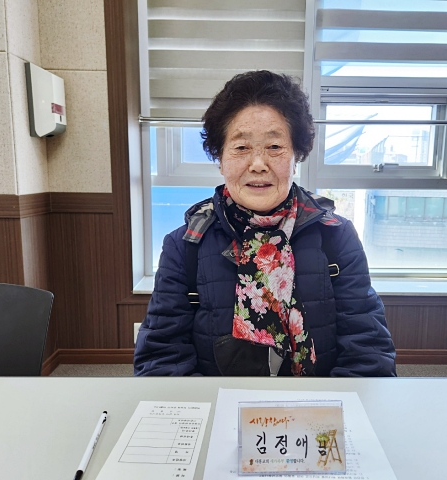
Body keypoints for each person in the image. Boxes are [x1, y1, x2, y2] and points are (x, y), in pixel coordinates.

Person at [134, 70, 396, 377]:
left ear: (297, 156)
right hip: (220, 404)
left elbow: (368, 355)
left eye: (274, 147)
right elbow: (162, 360)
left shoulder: (336, 238)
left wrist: (324, 407)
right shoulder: (185, 246)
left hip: (315, 406)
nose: (258, 164)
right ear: (220, 159)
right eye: (241, 148)